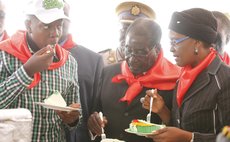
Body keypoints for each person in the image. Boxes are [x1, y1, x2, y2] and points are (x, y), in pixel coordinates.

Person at [142, 8, 230, 142]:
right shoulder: (184, 75)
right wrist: (162, 111)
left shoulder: (224, 78)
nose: (171, 48)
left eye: (175, 41)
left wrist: (189, 138)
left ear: (197, 42)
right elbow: (181, 124)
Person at [88, 18, 180, 142]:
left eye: (140, 52)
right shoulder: (108, 73)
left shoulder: (174, 81)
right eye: (128, 50)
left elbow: (180, 130)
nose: (132, 58)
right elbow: (96, 111)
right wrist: (95, 122)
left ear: (157, 49)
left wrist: (163, 111)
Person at [0, 0, 81, 141]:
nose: (55, 33)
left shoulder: (69, 62)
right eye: (46, 26)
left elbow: (74, 120)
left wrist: (72, 120)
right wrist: (27, 71)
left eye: (59, 26)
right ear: (28, 26)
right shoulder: (4, 54)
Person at [58, 1, 104, 142]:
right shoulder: (23, 56)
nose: (58, 19)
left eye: (63, 14)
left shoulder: (93, 60)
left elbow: (97, 108)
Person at [99, 1, 155, 65]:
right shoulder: (100, 61)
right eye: (125, 29)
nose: (129, 37)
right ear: (119, 30)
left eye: (137, 32)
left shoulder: (152, 64)